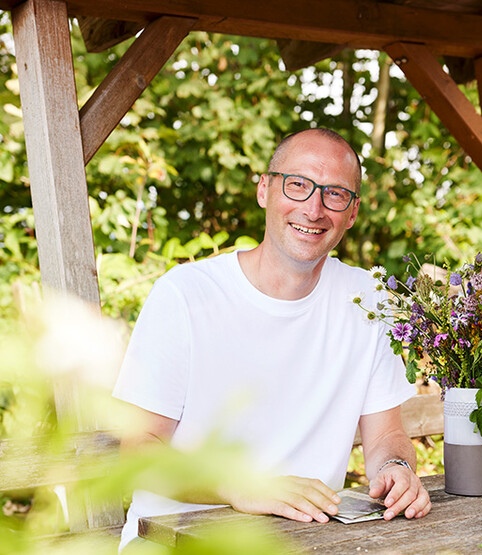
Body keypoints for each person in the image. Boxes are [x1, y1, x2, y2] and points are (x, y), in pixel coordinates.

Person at [113, 128, 431, 550]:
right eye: (298, 185)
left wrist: (396, 469)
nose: (313, 209)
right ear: (265, 189)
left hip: (305, 541)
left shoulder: (368, 299)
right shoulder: (185, 294)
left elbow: (385, 436)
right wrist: (239, 488)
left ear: (352, 213)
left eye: (334, 194)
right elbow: (137, 452)